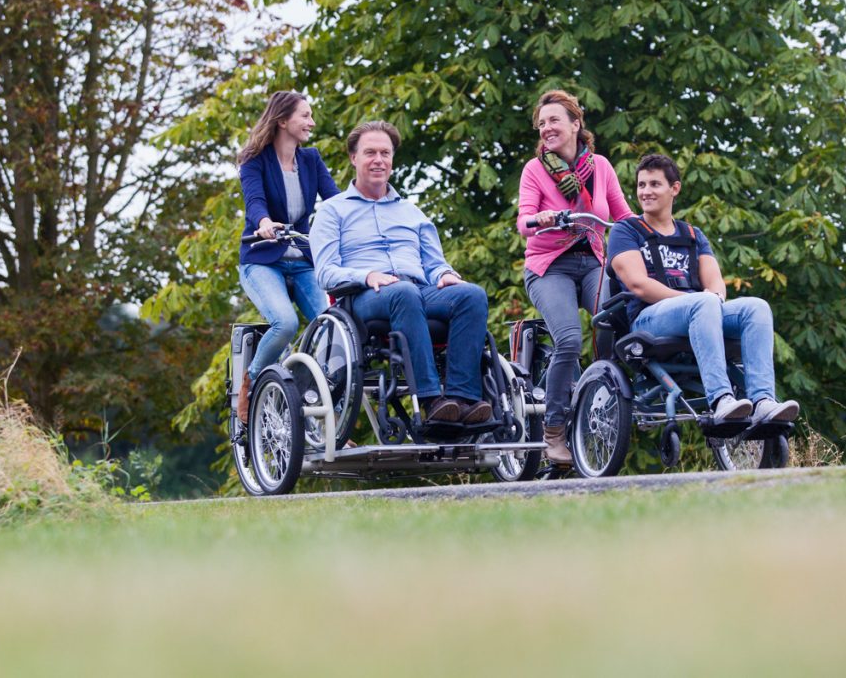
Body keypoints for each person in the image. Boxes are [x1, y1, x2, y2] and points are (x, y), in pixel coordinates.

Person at [310, 121, 492, 424]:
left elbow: (434, 263)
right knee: (403, 293)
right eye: (370, 153)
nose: (378, 160)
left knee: (471, 295)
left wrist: (445, 274)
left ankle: (462, 400)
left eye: (385, 153)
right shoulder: (332, 211)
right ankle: (432, 400)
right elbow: (326, 273)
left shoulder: (411, 211)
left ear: (392, 160)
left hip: (418, 289)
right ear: (354, 158)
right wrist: (367, 275)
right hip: (365, 297)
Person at [606, 153, 799, 425]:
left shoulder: (693, 235)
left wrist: (709, 301)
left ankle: (763, 401)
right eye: (641, 185)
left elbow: (716, 285)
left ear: (675, 189)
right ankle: (721, 400)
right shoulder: (626, 230)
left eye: (654, 184)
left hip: (699, 312)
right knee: (705, 303)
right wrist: (696, 302)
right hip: (649, 319)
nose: (646, 192)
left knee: (756, 308)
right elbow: (638, 285)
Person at [516, 90, 634, 464]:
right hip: (549, 265)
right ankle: (553, 432)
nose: (547, 127)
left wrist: (652, 229)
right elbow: (523, 221)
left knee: (619, 322)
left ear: (575, 124)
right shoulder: (536, 170)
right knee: (568, 339)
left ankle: (606, 397)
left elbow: (623, 216)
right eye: (542, 122)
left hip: (594, 262)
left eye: (554, 120)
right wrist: (542, 219)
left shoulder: (600, 167)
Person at [236, 91, 341, 423]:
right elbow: (255, 203)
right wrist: (265, 223)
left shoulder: (311, 159)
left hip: (303, 259)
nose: (312, 122)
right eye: (305, 116)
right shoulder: (255, 160)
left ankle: (319, 411)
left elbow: (336, 201)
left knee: (334, 327)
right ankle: (251, 384)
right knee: (285, 323)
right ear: (283, 121)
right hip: (262, 259)